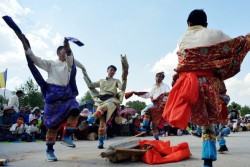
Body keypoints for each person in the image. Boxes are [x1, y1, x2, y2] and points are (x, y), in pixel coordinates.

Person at [163, 9, 250, 167]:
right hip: (209, 84)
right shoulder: (214, 33)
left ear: (188, 24)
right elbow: (235, 45)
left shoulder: (182, 38)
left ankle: (200, 134)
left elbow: (183, 64)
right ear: (206, 24)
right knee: (209, 124)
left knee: (201, 122)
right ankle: (208, 160)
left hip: (188, 86)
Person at [17, 33, 85, 161]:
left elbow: (70, 53)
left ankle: (67, 136)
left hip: (66, 96)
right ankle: (49, 151)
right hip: (52, 96)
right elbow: (33, 58)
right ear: (59, 53)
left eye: (67, 50)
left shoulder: (69, 64)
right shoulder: (50, 64)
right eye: (64, 50)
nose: (67, 52)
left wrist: (67, 44)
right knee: (52, 126)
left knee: (75, 109)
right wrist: (23, 42)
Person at [83, 63, 128, 149]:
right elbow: (90, 85)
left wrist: (125, 78)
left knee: (104, 107)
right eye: (111, 70)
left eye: (114, 71)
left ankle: (90, 119)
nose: (112, 71)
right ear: (107, 70)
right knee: (102, 123)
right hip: (101, 100)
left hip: (111, 100)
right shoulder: (101, 80)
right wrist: (85, 74)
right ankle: (100, 142)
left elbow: (122, 88)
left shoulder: (116, 81)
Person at [127, 72, 170, 140]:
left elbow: (169, 95)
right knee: (153, 125)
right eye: (157, 76)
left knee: (148, 110)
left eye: (160, 76)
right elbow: (149, 95)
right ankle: (157, 140)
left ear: (162, 78)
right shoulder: (154, 86)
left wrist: (164, 98)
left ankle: (144, 127)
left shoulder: (165, 86)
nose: (158, 78)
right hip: (155, 105)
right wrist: (137, 93)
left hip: (162, 106)